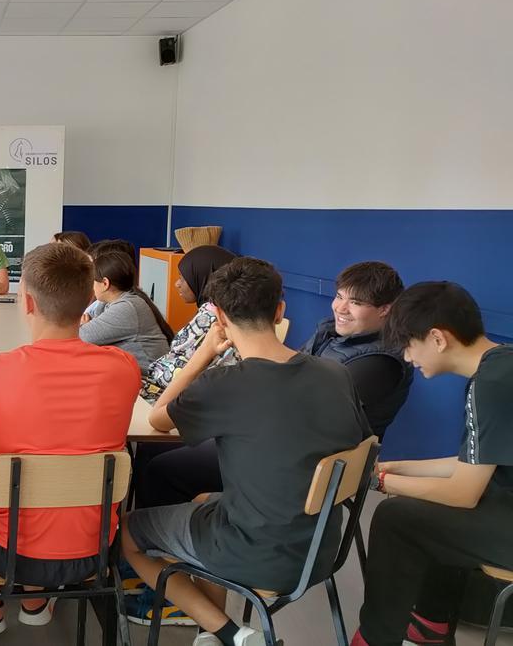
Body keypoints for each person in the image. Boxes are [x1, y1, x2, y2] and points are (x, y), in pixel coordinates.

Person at [123, 257, 370, 646]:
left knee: (127, 533)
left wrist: (202, 355)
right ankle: (210, 631)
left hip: (256, 553)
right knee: (206, 499)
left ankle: (230, 632)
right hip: (320, 548)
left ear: (218, 317)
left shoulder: (224, 384)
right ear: (280, 311)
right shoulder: (336, 374)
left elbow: (157, 420)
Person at [0, 243, 141, 635]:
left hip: (10, 552)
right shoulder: (124, 369)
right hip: (94, 550)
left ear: (26, 302)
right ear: (91, 297)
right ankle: (36, 598)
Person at [350, 282, 513, 646]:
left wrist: (379, 484)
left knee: (396, 517)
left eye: (409, 345)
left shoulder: (493, 385)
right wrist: (397, 467)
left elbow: (463, 493)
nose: (408, 357)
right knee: (426, 509)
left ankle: (376, 638)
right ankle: (430, 625)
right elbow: (472, 465)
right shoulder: (500, 366)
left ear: (438, 338)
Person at [301, 261, 413, 439]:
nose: (340, 308)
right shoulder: (330, 331)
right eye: (339, 296)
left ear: (385, 309)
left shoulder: (381, 363)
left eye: (355, 302)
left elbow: (314, 412)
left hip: (330, 456)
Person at [140, 245, 240, 402]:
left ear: (202, 276)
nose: (177, 284)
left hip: (176, 398)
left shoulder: (210, 316)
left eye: (182, 277)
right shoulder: (231, 313)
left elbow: (180, 368)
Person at [80, 251, 174, 371]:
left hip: (150, 378)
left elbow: (82, 336)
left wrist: (85, 325)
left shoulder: (127, 307)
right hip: (131, 372)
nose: (90, 286)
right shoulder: (110, 303)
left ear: (105, 283)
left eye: (92, 281)